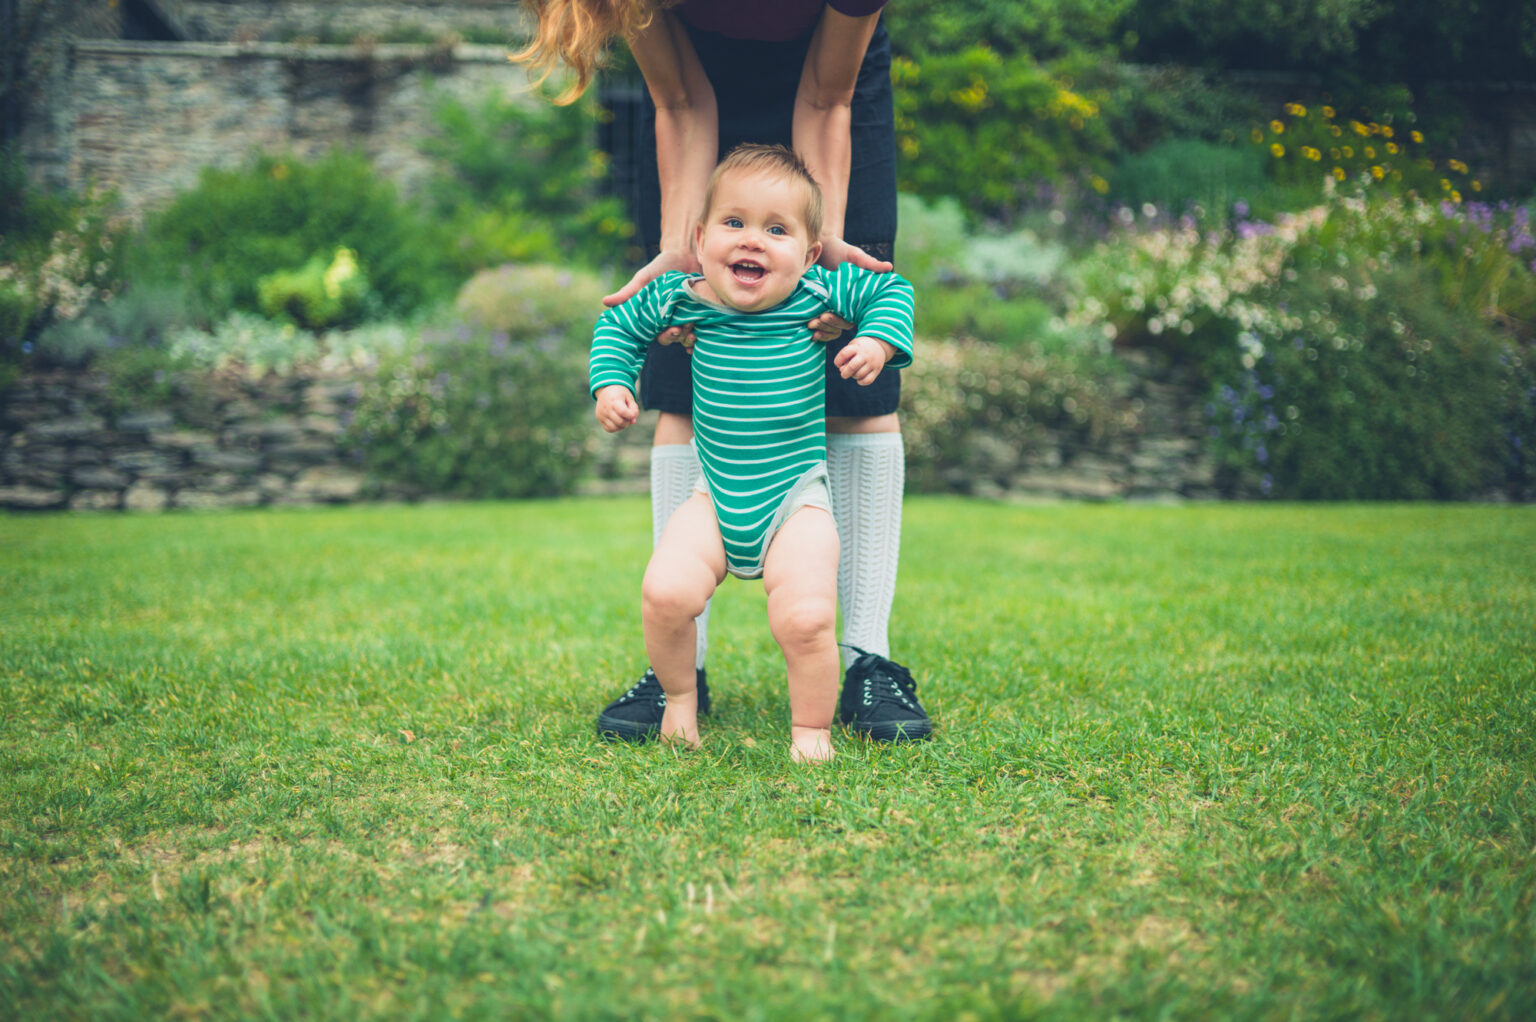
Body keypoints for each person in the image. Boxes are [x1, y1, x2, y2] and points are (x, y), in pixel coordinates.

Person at [515, 0, 933, 743]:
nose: (747, 241)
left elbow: (824, 96)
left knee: (855, 383)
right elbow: (679, 100)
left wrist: (819, 256)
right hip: (692, 91)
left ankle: (867, 659)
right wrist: (684, 254)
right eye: (731, 232)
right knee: (678, 359)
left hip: (833, 85)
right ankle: (683, 671)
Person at [590, 144, 915, 761]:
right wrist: (612, 382)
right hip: (712, 497)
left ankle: (811, 730)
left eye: (776, 230)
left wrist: (874, 339)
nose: (752, 241)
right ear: (700, 237)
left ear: (810, 252)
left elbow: (892, 292)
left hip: (796, 501)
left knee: (806, 616)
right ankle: (680, 700)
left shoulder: (819, 291)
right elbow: (616, 327)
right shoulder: (681, 297)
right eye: (734, 224)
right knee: (665, 593)